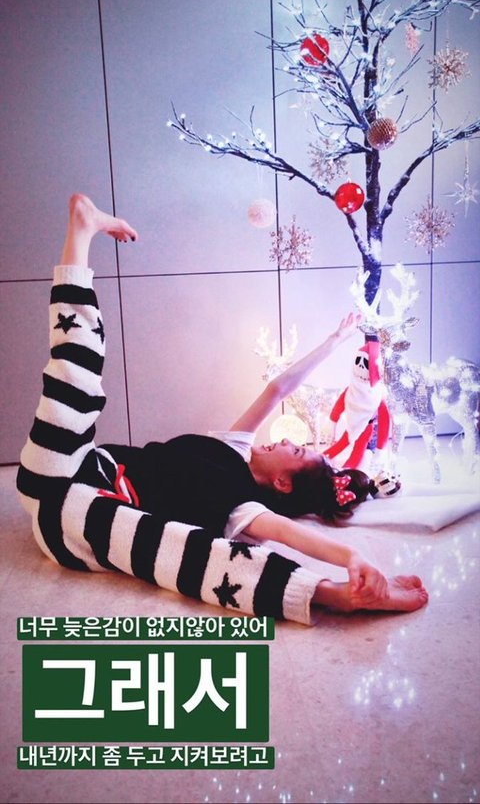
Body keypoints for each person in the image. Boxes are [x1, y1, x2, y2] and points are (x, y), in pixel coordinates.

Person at [16, 194, 428, 624]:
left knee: (189, 553)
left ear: (282, 483)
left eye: (296, 451)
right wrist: (334, 342)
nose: (286, 440)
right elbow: (278, 389)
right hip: (66, 466)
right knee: (76, 381)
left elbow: (288, 533)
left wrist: (351, 557)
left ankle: (333, 594)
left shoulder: (245, 509)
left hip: (77, 524)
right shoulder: (232, 448)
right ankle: (81, 229)